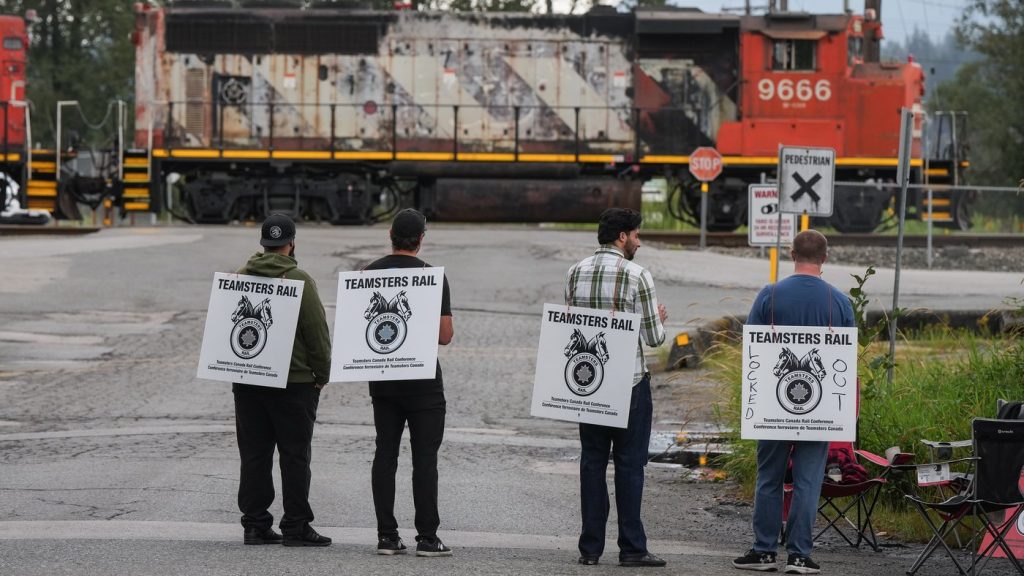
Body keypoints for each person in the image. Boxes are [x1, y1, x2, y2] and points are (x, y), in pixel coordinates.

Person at [732, 229, 855, 574]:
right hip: (819, 409)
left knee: (769, 478)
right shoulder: (839, 302)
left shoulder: (770, 296)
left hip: (774, 406)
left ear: (791, 253)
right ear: (825, 258)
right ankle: (799, 555)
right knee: (807, 482)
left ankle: (764, 551)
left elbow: (752, 350)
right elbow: (847, 358)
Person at [565, 208, 668, 568]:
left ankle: (589, 549)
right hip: (630, 383)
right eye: (637, 235)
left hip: (588, 383)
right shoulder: (637, 275)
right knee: (629, 465)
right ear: (623, 236)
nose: (639, 241)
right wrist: (658, 316)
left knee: (592, 462)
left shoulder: (575, 272)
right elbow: (654, 338)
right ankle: (632, 548)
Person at [232, 213, 333, 547]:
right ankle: (296, 526)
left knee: (254, 455)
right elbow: (316, 334)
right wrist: (322, 374)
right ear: (291, 243)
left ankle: (255, 525)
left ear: (263, 244)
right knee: (294, 455)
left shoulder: (241, 276)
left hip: (249, 381)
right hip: (294, 383)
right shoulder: (299, 279)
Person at [364, 208, 455, 557]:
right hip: (423, 383)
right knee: (425, 459)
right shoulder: (431, 276)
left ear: (390, 234)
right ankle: (428, 539)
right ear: (421, 239)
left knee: (384, 454)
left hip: (384, 382)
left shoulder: (368, 274)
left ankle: (387, 537)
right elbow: (445, 336)